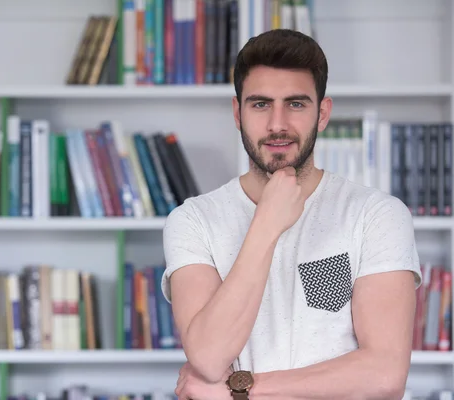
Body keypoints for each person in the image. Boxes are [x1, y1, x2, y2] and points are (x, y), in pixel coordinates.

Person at [161, 28, 421, 400]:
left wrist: (241, 390)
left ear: (323, 113)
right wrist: (267, 222)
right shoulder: (193, 220)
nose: (277, 124)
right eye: (260, 104)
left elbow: (384, 375)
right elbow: (206, 357)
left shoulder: (377, 215)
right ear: (238, 113)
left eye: (296, 104)